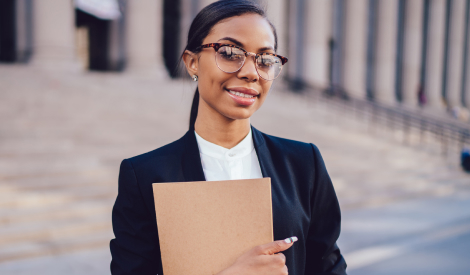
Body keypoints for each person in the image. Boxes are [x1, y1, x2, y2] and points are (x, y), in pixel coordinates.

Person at [110, 1, 347, 274]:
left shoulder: (304, 163)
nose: (250, 72)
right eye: (230, 53)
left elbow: (330, 267)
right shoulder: (144, 175)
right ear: (192, 62)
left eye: (265, 59)